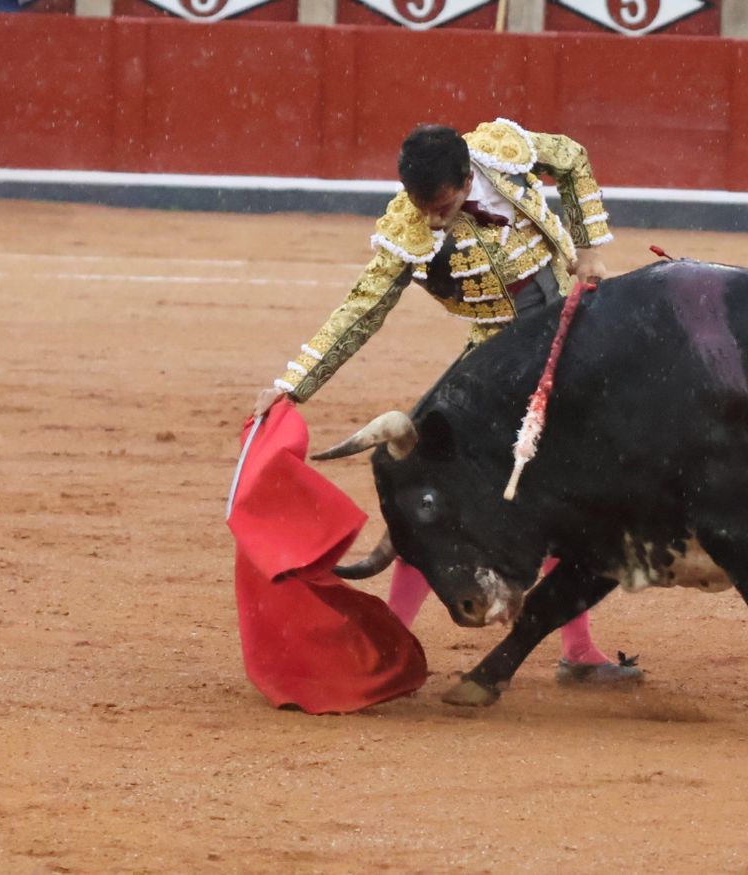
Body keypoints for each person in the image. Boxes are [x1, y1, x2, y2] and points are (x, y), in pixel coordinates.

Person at [251, 120, 640, 687]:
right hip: (494, 363)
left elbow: (574, 159)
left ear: (467, 176)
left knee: (571, 494)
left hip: (571, 337)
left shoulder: (503, 153)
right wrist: (293, 386)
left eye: (444, 204)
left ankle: (578, 651)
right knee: (425, 488)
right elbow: (360, 311)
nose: (433, 219)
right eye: (422, 206)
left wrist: (588, 249)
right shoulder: (407, 230)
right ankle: (387, 642)